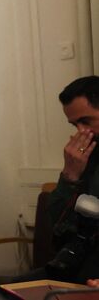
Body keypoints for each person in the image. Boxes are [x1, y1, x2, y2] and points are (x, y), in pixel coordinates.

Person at [48, 76, 99, 283]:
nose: (81, 132)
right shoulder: (89, 158)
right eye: (74, 124)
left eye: (86, 121)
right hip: (77, 268)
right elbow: (56, 222)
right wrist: (70, 174)